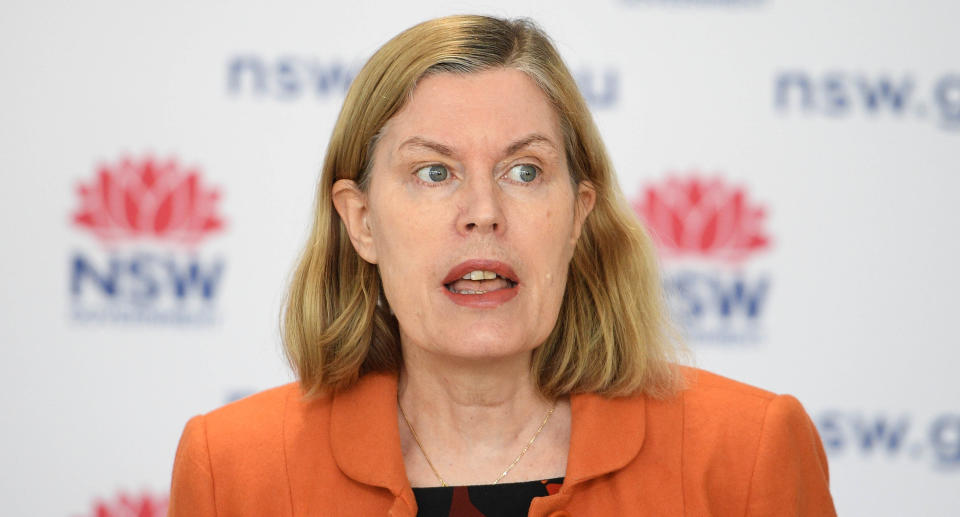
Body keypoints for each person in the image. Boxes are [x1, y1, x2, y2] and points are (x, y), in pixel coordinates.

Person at [168, 14, 836, 516]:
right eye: (434, 172)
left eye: (524, 170)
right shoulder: (234, 471)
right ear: (361, 221)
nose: (482, 211)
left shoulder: (747, 454)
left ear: (577, 215)